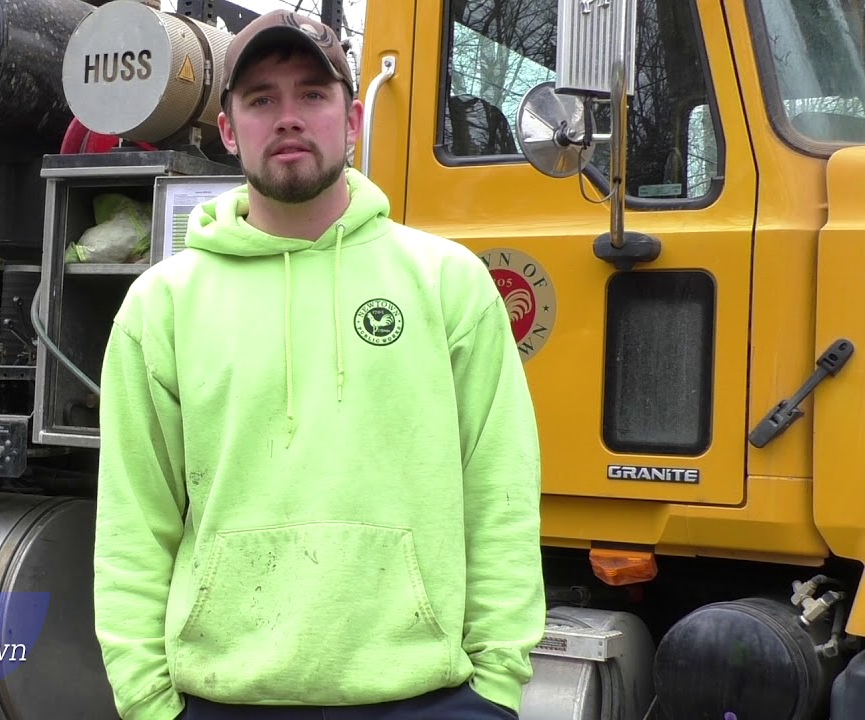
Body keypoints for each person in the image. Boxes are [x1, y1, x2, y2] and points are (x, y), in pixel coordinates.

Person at [93, 9, 544, 720]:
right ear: (229, 131)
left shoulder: (447, 283)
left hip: (428, 699)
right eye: (261, 99)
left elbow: (501, 496)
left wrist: (494, 688)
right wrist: (148, 702)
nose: (288, 117)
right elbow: (133, 524)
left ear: (354, 120)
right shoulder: (162, 307)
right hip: (222, 699)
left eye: (312, 93)